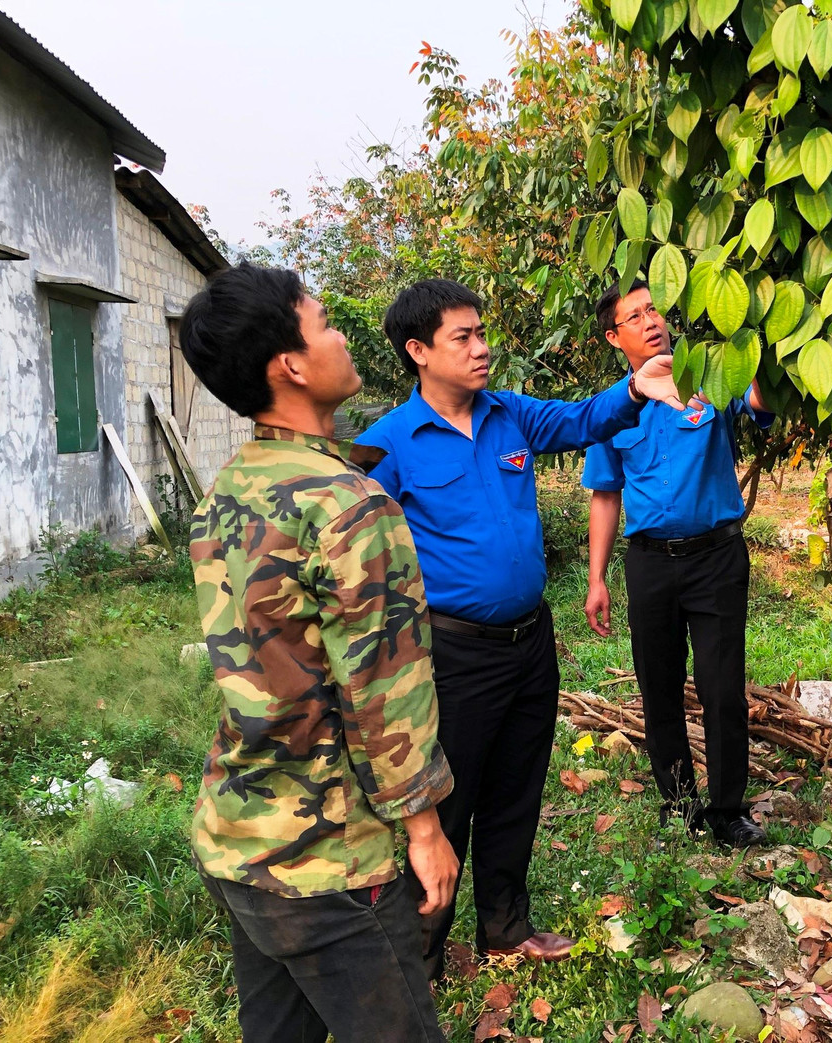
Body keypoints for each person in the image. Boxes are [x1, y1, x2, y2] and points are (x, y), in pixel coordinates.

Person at [356, 278, 685, 978]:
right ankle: (423, 952)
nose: (482, 348)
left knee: (515, 789)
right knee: (448, 802)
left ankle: (505, 925)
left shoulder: (508, 415)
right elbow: (353, 557)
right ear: (418, 350)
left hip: (529, 644)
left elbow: (579, 419)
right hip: (452, 654)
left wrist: (635, 388)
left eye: (482, 332)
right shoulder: (386, 446)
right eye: (463, 337)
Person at [180, 263, 456, 1043]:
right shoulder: (347, 507)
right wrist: (426, 830)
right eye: (327, 322)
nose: (343, 336)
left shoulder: (232, 488)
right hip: (330, 856)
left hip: (241, 834)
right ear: (290, 365)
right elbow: (385, 691)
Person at [582, 279, 773, 848]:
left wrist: (746, 342)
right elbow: (605, 494)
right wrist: (596, 579)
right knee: (658, 686)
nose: (650, 321)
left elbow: (761, 405)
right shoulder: (614, 410)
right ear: (616, 337)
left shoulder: (709, 378)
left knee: (721, 688)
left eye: (654, 308)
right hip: (649, 565)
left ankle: (727, 812)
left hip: (716, 557)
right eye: (634, 317)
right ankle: (680, 804)